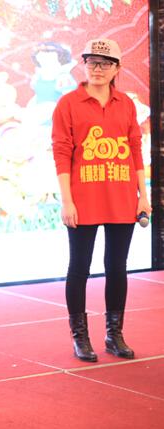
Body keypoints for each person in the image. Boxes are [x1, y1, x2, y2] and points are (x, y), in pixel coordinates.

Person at [52, 38, 151, 362]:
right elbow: (61, 153)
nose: (98, 69)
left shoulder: (126, 104)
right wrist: (67, 201)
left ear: (117, 69)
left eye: (105, 64)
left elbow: (135, 149)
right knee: (79, 267)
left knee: (117, 267)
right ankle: (80, 337)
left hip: (122, 196)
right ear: (84, 65)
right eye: (92, 62)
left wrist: (143, 195)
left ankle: (114, 334)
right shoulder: (68, 103)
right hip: (83, 198)